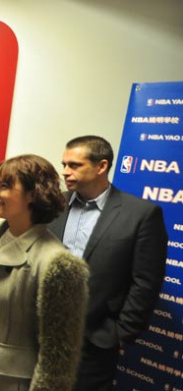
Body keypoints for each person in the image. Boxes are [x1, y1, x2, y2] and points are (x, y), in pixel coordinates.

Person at [0, 154, 89, 391]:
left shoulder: (58, 264)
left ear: (33, 194)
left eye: (5, 186)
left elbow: (58, 358)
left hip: (2, 381)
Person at [48, 135, 168, 391]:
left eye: (74, 165)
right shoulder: (54, 205)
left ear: (101, 166)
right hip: (40, 331)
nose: (65, 172)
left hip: (93, 341)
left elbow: (145, 282)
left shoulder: (140, 215)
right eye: (64, 164)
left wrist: (120, 333)